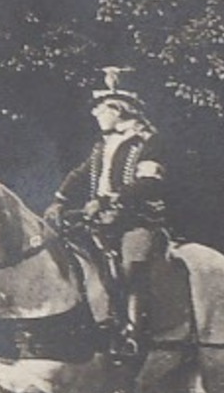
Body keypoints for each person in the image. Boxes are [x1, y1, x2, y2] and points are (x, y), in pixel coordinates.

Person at [45, 67, 168, 354]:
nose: (96, 114)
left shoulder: (148, 143)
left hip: (137, 220)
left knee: (130, 266)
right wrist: (59, 199)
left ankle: (133, 332)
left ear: (120, 110)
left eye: (102, 109)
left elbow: (148, 182)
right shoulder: (101, 146)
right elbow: (80, 173)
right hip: (100, 220)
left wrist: (107, 200)